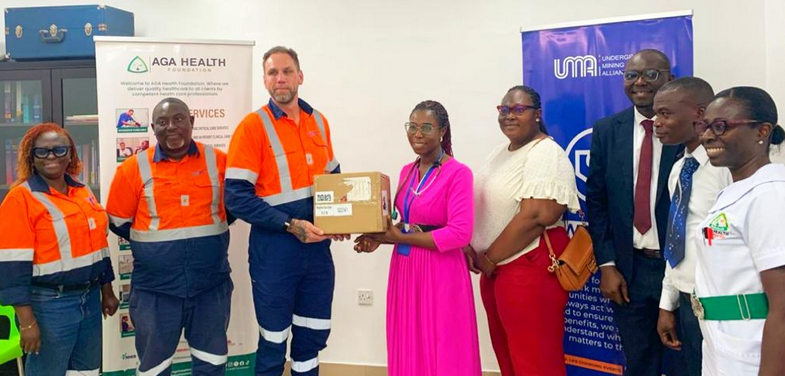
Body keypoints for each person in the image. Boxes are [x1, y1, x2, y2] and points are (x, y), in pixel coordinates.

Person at [224, 46, 345, 376]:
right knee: (274, 339)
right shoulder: (252, 128)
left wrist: (341, 218)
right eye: (273, 72)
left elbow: (333, 180)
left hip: (317, 251)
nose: (280, 78)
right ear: (264, 80)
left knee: (312, 335)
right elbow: (236, 197)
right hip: (275, 251)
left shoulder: (318, 122)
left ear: (300, 76)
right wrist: (290, 225)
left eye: (287, 71)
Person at [106, 98, 234, 376]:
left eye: (178, 119)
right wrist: (159, 250)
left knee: (211, 364)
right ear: (153, 127)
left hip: (210, 286)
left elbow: (232, 211)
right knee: (155, 368)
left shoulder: (220, 162)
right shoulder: (132, 168)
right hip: (155, 291)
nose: (171, 127)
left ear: (191, 121)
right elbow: (118, 222)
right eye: (163, 122)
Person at [353, 101, 481, 376]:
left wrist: (398, 236)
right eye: (412, 127)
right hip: (405, 270)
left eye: (426, 127)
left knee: (442, 343)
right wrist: (379, 238)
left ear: (443, 131)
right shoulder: (406, 172)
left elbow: (460, 233)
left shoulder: (459, 173)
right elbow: (406, 225)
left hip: (441, 272)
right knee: (408, 339)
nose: (417, 134)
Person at [467, 86, 580, 375]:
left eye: (519, 109)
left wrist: (490, 257)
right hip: (496, 272)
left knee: (536, 363)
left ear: (537, 114)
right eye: (504, 110)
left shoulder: (545, 153)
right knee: (508, 358)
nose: (509, 116)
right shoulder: (499, 152)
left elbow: (536, 216)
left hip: (529, 268)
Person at [586, 49, 681, 375]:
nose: (640, 82)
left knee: (686, 361)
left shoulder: (688, 132)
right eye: (631, 75)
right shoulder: (607, 130)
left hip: (680, 270)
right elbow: (597, 202)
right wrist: (608, 264)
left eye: (651, 74)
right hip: (629, 270)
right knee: (640, 362)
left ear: (669, 78)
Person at [0, 123, 118, 375]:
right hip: (50, 305)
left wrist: (107, 290)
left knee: (87, 372)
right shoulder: (20, 198)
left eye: (59, 150)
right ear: (31, 157)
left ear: (70, 155)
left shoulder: (82, 191)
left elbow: (99, 247)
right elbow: (11, 267)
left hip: (90, 300)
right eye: (42, 152)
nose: (51, 156)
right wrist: (27, 322)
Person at [693, 87, 785, 376]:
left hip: (753, 349)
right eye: (704, 125)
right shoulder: (736, 191)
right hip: (723, 343)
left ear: (763, 131)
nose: (707, 136)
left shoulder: (770, 194)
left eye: (721, 126)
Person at [652, 77, 732, 375]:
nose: (657, 122)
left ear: (700, 113)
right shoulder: (679, 169)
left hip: (723, 304)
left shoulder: (726, 169)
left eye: (665, 113)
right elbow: (678, 237)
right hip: (687, 302)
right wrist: (667, 303)